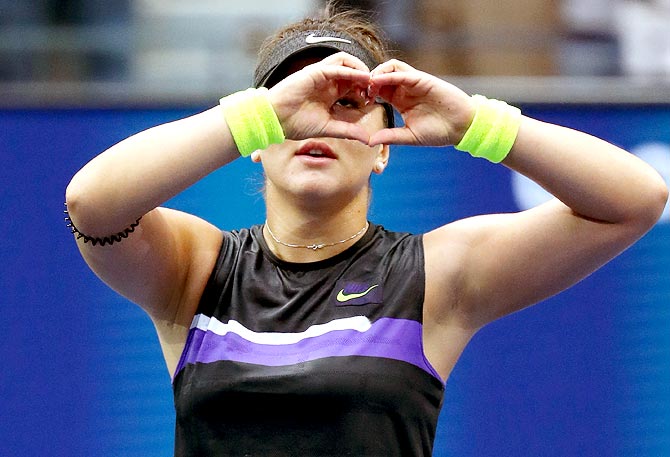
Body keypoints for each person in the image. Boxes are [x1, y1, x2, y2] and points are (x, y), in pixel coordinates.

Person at [65, 5, 668, 457]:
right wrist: (258, 114)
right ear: (255, 142)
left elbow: (635, 199)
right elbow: (91, 203)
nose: (319, 119)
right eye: (297, 100)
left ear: (383, 151)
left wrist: (474, 124)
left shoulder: (435, 276)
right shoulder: (195, 267)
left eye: (349, 103)